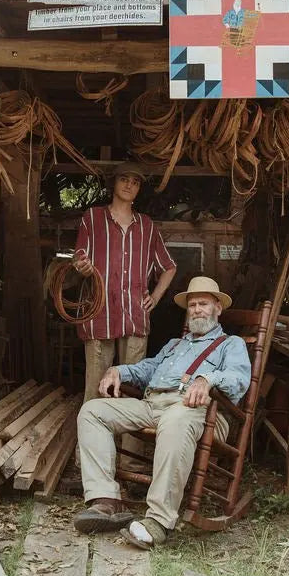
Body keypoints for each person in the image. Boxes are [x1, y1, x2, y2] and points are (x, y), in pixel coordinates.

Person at [71, 276, 251, 549]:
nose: (197, 310)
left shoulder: (231, 344)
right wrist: (119, 370)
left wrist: (208, 379)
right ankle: (106, 500)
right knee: (92, 411)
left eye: (203, 304)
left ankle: (158, 520)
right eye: (192, 305)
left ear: (218, 308)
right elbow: (147, 369)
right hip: (152, 404)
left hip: (199, 411)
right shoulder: (174, 345)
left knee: (177, 419)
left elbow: (239, 380)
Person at [72, 162, 177, 404]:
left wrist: (156, 297)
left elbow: (169, 266)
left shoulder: (147, 225)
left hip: (135, 315)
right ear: (114, 183)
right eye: (124, 179)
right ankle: (92, 440)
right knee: (97, 389)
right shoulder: (93, 217)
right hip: (100, 313)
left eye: (136, 182)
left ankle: (129, 443)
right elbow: (78, 258)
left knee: (130, 391)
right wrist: (83, 266)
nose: (129, 185)